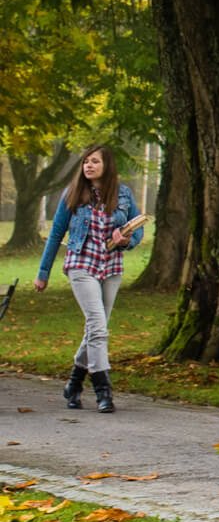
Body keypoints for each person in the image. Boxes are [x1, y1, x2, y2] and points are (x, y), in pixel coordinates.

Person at [35, 144, 144, 413]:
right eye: (86, 161)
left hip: (110, 266)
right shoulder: (71, 193)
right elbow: (56, 233)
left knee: (96, 328)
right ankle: (103, 391)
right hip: (81, 264)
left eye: (94, 161)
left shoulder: (123, 194)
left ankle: (73, 384)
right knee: (97, 325)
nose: (88, 165)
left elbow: (138, 229)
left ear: (107, 165)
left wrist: (126, 239)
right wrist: (43, 273)